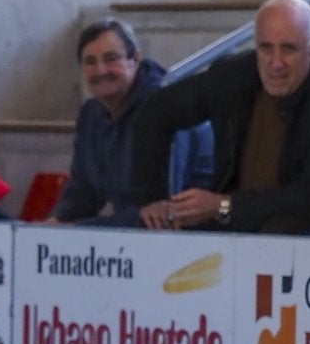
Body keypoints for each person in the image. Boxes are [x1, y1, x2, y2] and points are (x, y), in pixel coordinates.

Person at [131, 0, 310, 235]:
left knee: (281, 229)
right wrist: (152, 200)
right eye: (266, 48)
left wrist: (222, 206)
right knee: (139, 227)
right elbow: (156, 110)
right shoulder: (234, 76)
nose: (276, 64)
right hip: (235, 217)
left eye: (288, 49)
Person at [52, 19, 212, 228]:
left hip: (197, 237)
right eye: (90, 62)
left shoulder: (167, 105)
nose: (100, 70)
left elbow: (163, 211)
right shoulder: (91, 114)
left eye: (111, 59)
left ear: (135, 59)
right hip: (133, 238)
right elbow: (83, 192)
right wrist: (55, 224)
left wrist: (78, 229)